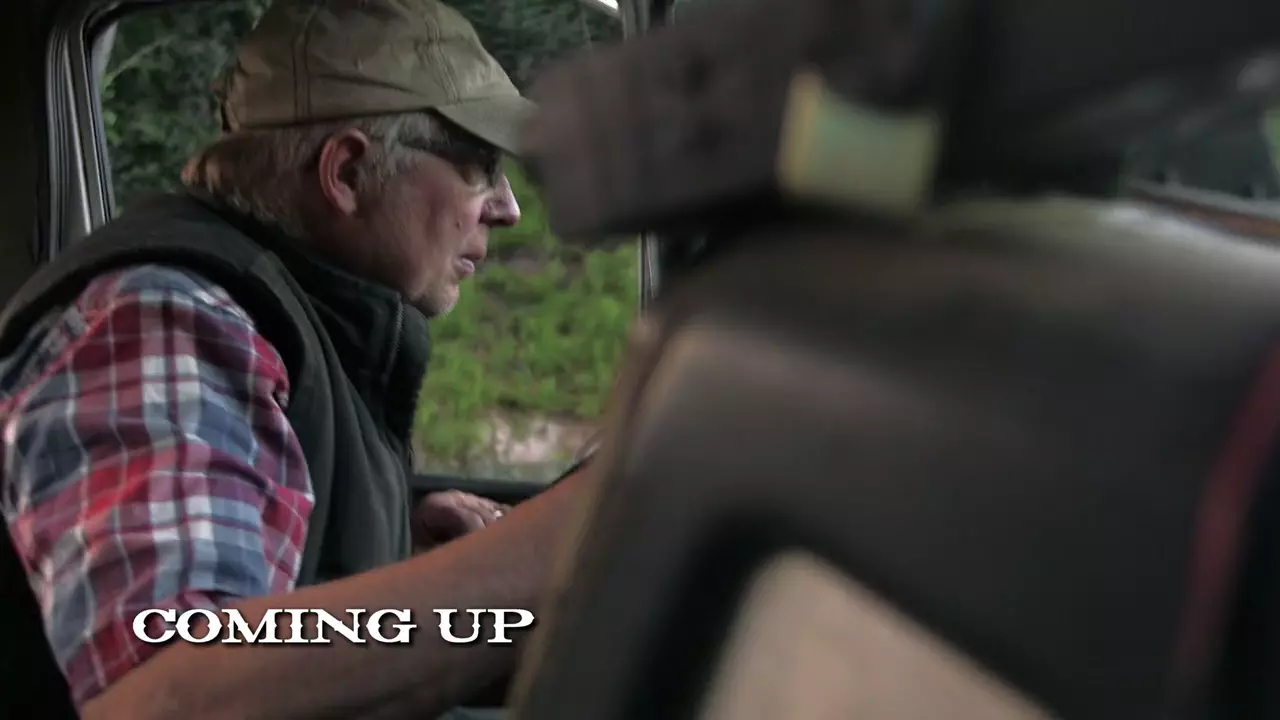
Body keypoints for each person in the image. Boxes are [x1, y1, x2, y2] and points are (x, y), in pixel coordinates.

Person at [0, 0, 591, 717]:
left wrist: (393, 550)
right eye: (479, 167)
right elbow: (169, 688)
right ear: (348, 172)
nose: (507, 208)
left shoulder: (285, 321)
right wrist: (534, 554)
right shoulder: (167, 319)